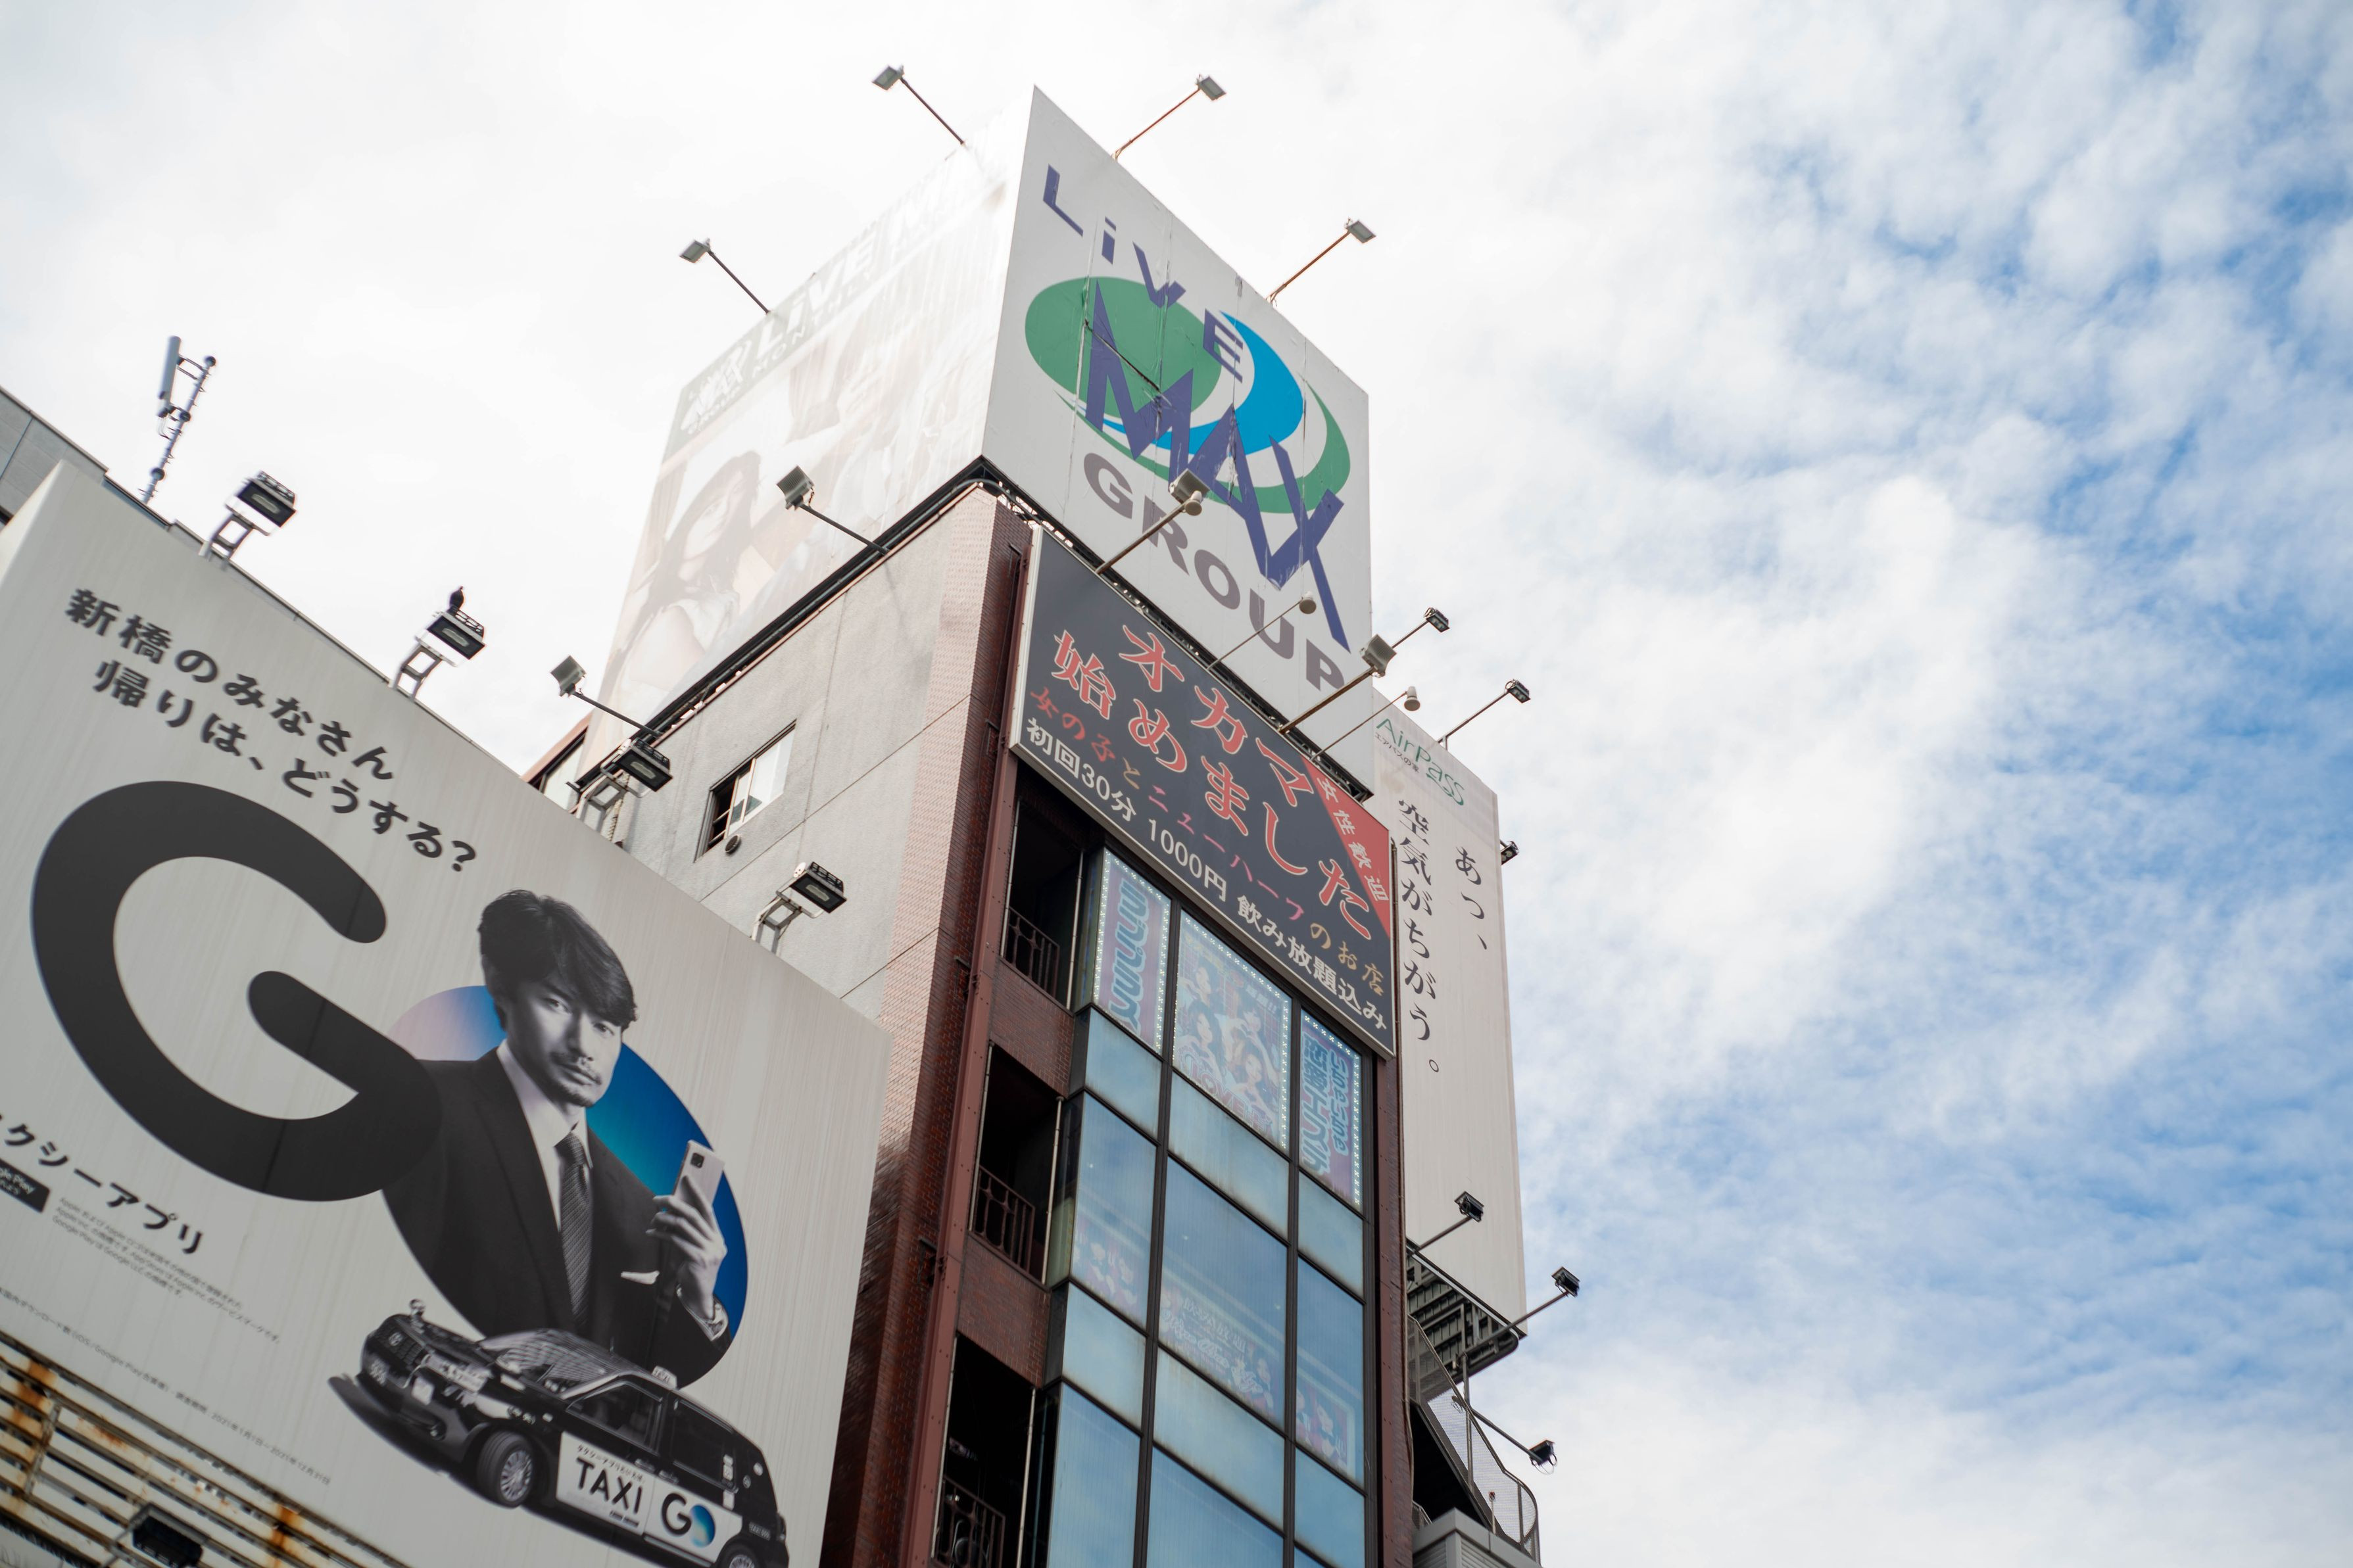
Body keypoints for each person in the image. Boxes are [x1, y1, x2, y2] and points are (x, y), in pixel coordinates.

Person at [385, 891, 731, 1383]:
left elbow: (643, 1373)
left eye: (605, 1027)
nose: (583, 1045)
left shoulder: (638, 1206)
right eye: (557, 1003)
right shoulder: (426, 1101)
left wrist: (699, 1296)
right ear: (501, 989)